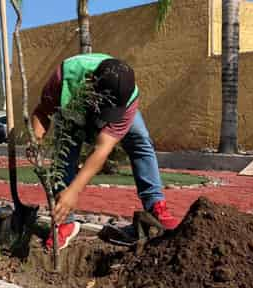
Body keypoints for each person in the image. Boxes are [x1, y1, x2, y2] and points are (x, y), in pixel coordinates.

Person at [30, 53, 181, 251]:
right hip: (73, 111)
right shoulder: (63, 78)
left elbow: (102, 149)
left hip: (110, 105)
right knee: (64, 154)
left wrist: (74, 191)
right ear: (91, 82)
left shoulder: (127, 97)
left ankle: (155, 205)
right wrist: (35, 142)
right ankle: (65, 222)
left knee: (140, 140)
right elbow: (42, 112)